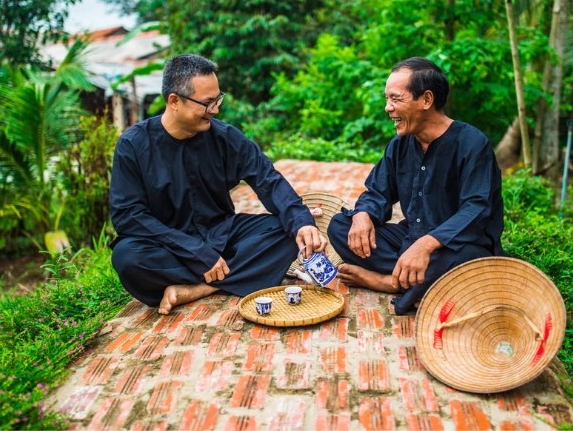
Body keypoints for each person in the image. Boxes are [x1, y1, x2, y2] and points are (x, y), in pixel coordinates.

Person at [110, 54, 326, 315]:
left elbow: (267, 179)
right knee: (127, 258)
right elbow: (129, 216)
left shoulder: (225, 136)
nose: (215, 110)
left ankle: (201, 288)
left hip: (222, 234)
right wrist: (196, 253)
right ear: (174, 101)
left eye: (217, 99)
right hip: (169, 246)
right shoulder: (133, 145)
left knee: (286, 231)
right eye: (207, 103)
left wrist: (301, 222)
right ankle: (238, 275)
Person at [327, 57, 504, 315]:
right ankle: (418, 281)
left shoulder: (472, 144)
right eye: (387, 99)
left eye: (395, 99)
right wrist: (363, 214)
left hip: (455, 246)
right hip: (410, 239)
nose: (388, 108)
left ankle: (389, 282)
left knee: (464, 260)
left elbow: (477, 209)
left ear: (426, 100)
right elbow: (377, 191)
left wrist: (427, 245)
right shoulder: (399, 145)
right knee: (340, 226)